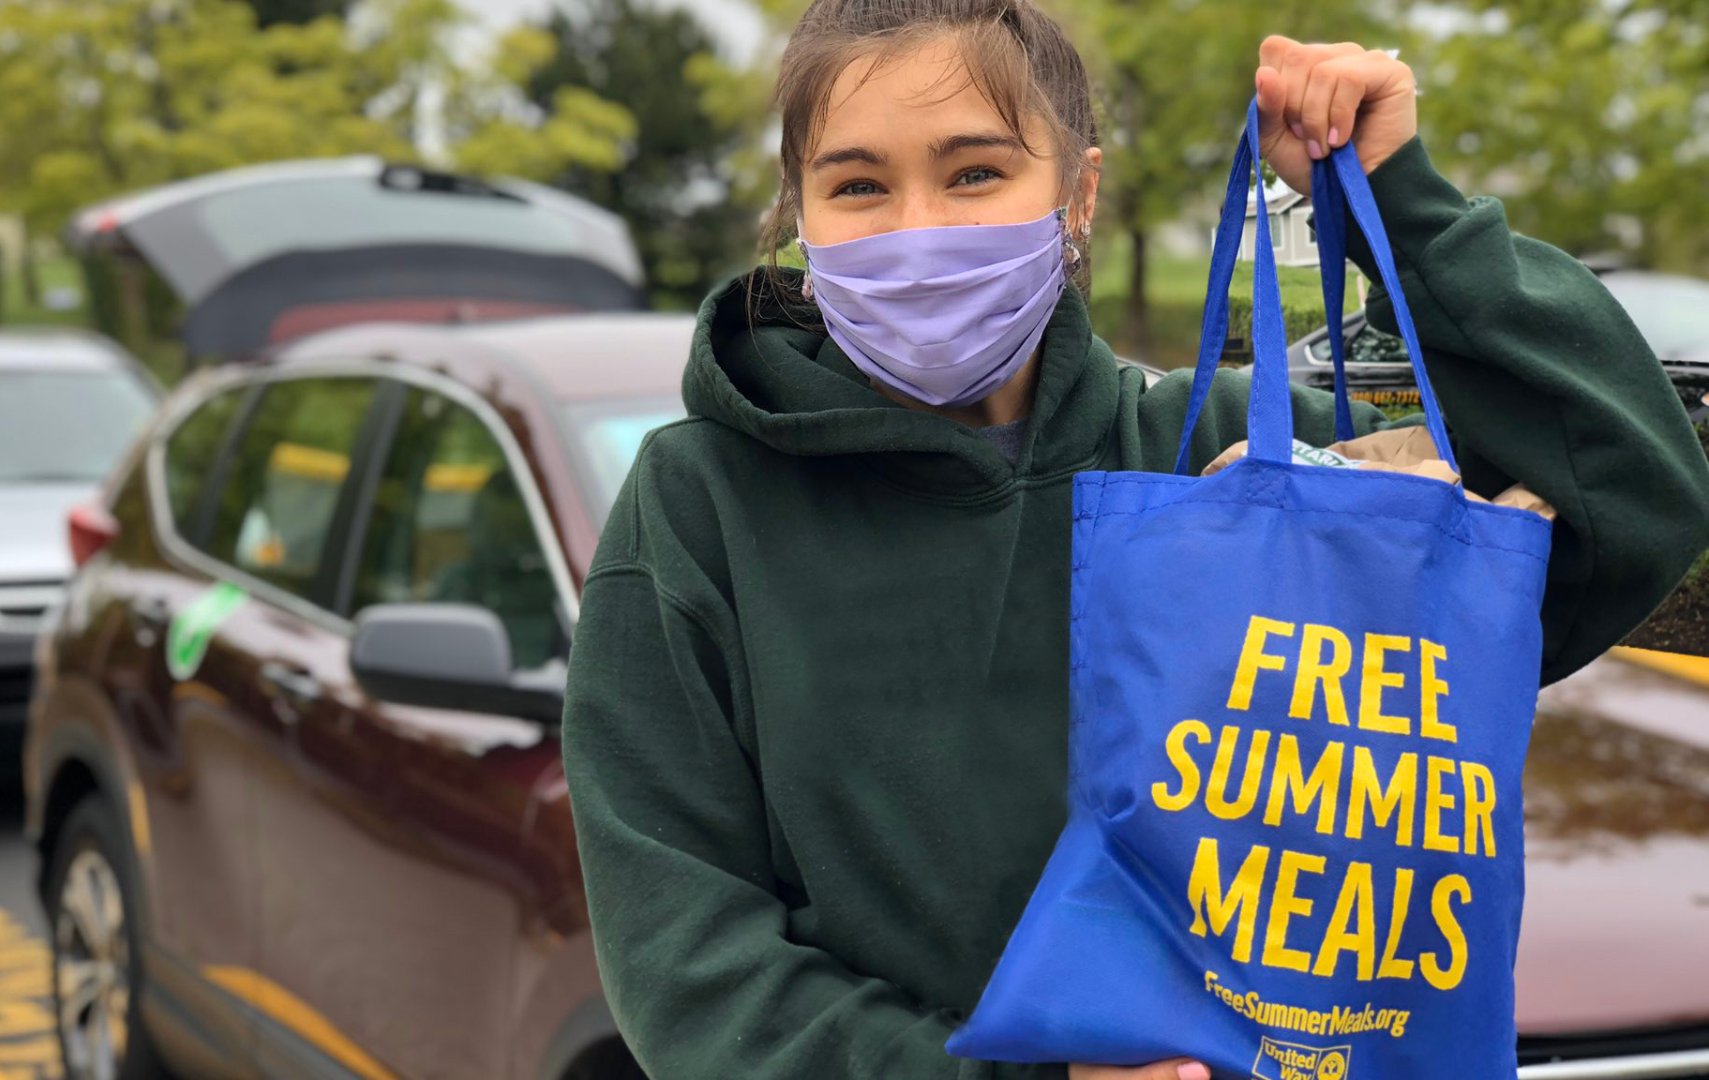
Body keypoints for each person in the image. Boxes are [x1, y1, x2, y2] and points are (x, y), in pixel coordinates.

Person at [559, 2, 1709, 1078]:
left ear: (1080, 194)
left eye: (975, 172)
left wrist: (1402, 205)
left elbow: (1628, 498)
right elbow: (689, 964)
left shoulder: (1235, 460)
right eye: (858, 185)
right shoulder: (698, 505)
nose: (919, 232)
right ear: (798, 212)